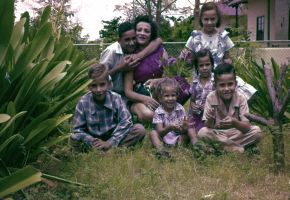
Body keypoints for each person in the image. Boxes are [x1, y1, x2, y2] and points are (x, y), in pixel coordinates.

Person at [180, 1, 256, 101]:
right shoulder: (195, 37)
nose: (209, 22)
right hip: (202, 76)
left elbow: (228, 59)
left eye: (212, 19)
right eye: (206, 19)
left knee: (240, 90)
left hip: (220, 74)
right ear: (201, 19)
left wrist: (228, 62)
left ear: (217, 19)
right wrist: (185, 57)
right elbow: (187, 60)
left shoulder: (223, 37)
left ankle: (236, 112)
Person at [71, 64, 145, 151]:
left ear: (109, 84)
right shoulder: (83, 102)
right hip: (94, 139)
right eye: (94, 86)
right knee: (74, 138)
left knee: (139, 129)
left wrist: (110, 142)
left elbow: (126, 122)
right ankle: (105, 150)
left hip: (113, 136)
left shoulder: (116, 98)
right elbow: (78, 129)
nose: (98, 90)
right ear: (88, 86)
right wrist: (92, 141)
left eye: (102, 84)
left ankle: (111, 149)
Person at [198, 63, 262, 153]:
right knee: (202, 132)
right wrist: (210, 119)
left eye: (230, 84)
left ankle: (222, 148)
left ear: (235, 84)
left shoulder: (241, 98)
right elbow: (208, 126)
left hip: (236, 133)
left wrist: (234, 122)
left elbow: (246, 127)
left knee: (257, 131)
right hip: (217, 133)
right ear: (215, 85)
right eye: (222, 85)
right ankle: (237, 149)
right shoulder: (210, 97)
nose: (227, 88)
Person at [100, 21, 162, 100]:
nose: (132, 43)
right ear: (119, 40)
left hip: (124, 96)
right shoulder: (111, 51)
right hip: (108, 95)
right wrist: (120, 68)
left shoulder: (132, 49)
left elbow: (157, 41)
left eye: (134, 38)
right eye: (127, 40)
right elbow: (100, 77)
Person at [124, 15, 168, 123]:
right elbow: (128, 91)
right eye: (139, 30)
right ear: (134, 32)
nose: (142, 33)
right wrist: (145, 99)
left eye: (146, 31)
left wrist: (159, 80)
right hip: (140, 97)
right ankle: (134, 110)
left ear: (151, 34)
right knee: (149, 115)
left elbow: (172, 76)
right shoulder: (130, 56)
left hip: (160, 92)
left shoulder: (160, 50)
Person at [149, 78, 192, 158]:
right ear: (160, 98)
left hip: (176, 138)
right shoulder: (158, 111)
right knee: (153, 133)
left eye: (173, 95)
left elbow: (182, 131)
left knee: (187, 133)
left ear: (177, 96)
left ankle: (179, 149)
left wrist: (184, 127)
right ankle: (161, 151)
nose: (170, 98)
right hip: (163, 138)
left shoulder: (180, 109)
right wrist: (170, 127)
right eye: (166, 96)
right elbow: (160, 132)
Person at [188, 49, 215, 145]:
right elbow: (192, 100)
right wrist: (192, 105)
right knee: (189, 125)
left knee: (204, 130)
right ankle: (194, 141)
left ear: (212, 65)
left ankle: (199, 140)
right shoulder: (195, 82)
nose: (204, 68)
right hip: (196, 114)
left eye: (207, 64)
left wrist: (208, 106)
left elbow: (219, 100)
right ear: (197, 67)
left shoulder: (215, 82)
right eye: (201, 65)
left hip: (209, 116)